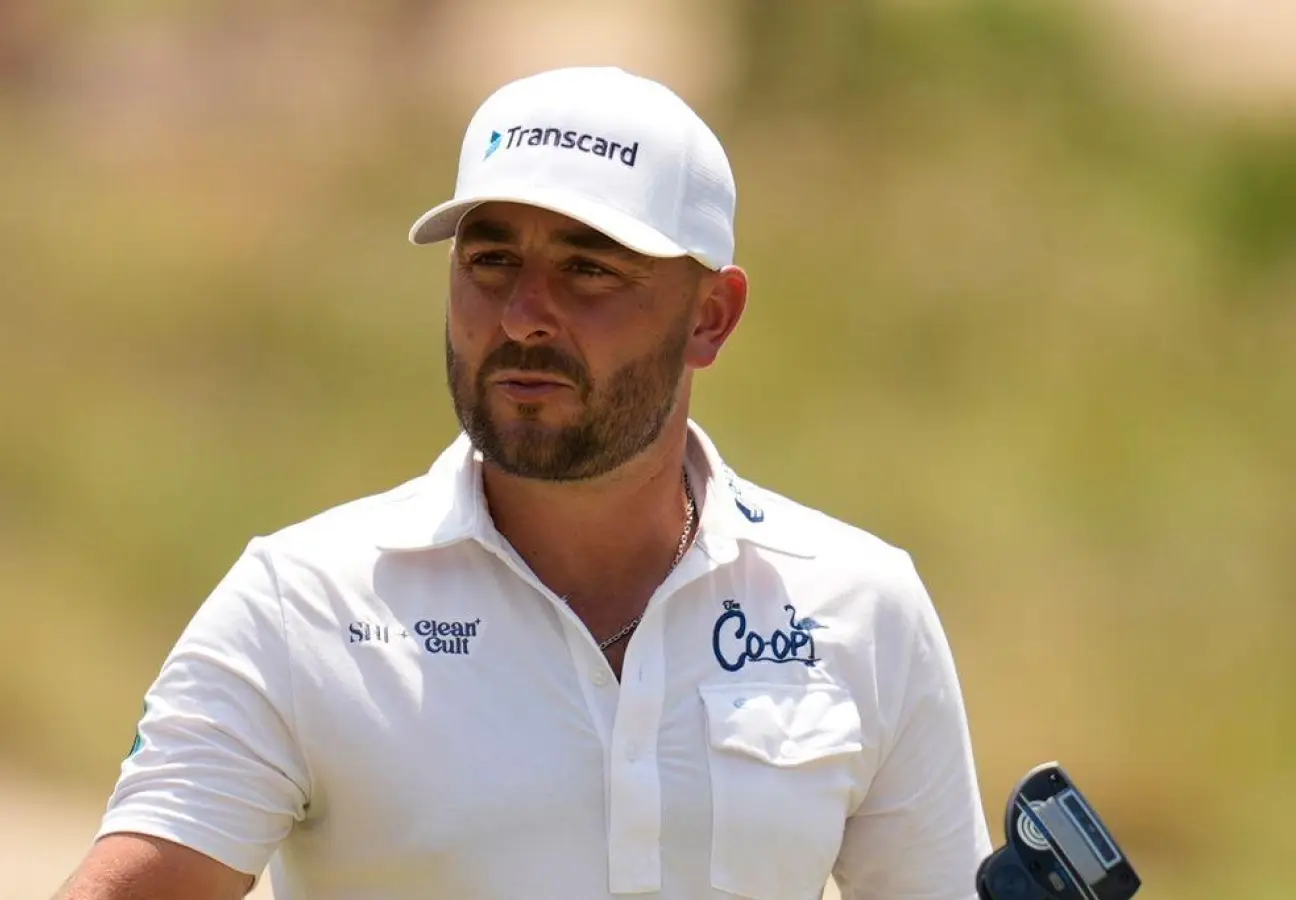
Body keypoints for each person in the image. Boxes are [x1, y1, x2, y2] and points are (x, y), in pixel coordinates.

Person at [52, 65, 993, 900]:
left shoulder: (862, 607)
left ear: (712, 316)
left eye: (589, 268)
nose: (525, 315)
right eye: (491, 259)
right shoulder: (302, 604)